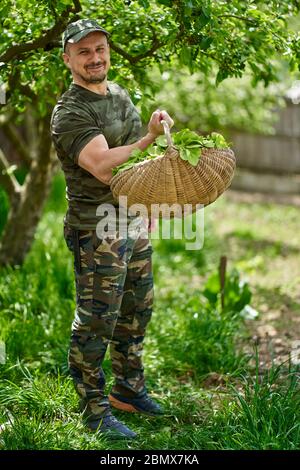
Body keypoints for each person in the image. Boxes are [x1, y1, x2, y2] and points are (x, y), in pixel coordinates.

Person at [50, 19, 174, 440]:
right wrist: (146, 141)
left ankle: (128, 389)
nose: (95, 57)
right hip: (96, 229)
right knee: (96, 320)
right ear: (67, 58)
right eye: (83, 51)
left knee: (137, 310)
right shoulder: (70, 111)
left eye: (100, 48)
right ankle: (93, 407)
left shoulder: (120, 95)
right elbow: (103, 164)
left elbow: (136, 162)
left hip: (131, 220)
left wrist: (147, 201)